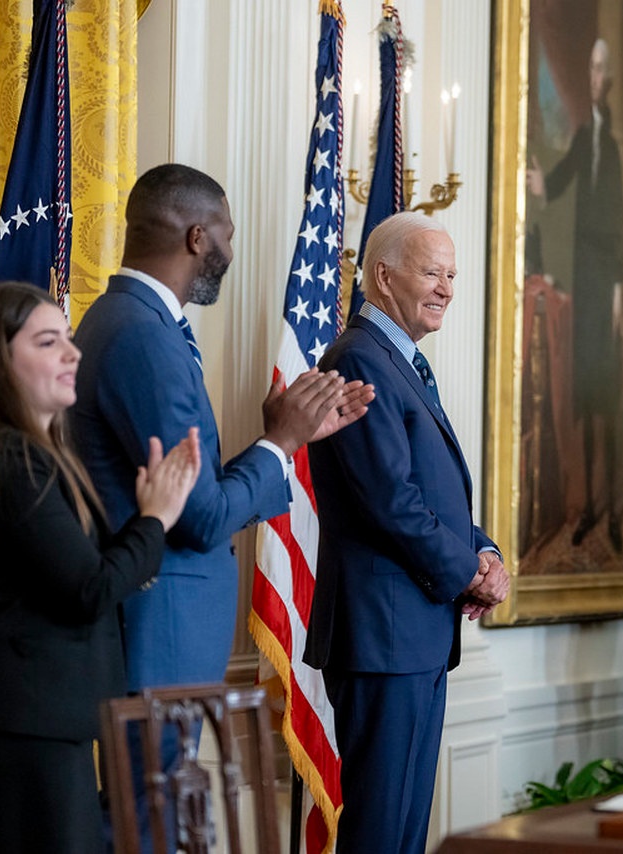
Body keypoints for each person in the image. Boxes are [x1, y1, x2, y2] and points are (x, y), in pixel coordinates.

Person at [68, 164, 372, 842]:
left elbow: (189, 491)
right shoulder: (143, 333)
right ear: (198, 237)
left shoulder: (130, 318)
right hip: (158, 619)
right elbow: (199, 517)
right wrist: (282, 439)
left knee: (152, 803)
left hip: (158, 618)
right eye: (228, 236)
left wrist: (279, 443)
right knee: (146, 809)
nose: (231, 252)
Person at [0, 283, 201, 853]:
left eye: (68, 340)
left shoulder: (34, 455)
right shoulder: (10, 457)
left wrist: (143, 525)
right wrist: (156, 519)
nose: (73, 354)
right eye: (49, 342)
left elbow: (78, 574)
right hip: (18, 732)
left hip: (37, 725)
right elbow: (89, 589)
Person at [304, 212, 510, 854]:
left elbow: (430, 495)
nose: (447, 287)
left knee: (403, 831)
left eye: (452, 274)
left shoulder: (403, 362)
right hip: (381, 634)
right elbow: (388, 500)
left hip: (412, 632)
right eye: (432, 272)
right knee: (380, 829)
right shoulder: (359, 359)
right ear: (383, 276)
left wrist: (484, 550)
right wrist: (466, 573)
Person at [526, 36, 623, 551]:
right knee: (585, 400)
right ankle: (588, 506)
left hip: (604, 286)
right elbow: (560, 180)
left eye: (600, 68)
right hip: (582, 284)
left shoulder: (609, 143)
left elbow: (620, 224)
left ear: (608, 77)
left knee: (606, 402)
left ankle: (608, 508)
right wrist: (539, 183)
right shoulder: (587, 132)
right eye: (589, 67)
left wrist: (617, 292)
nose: (594, 76)